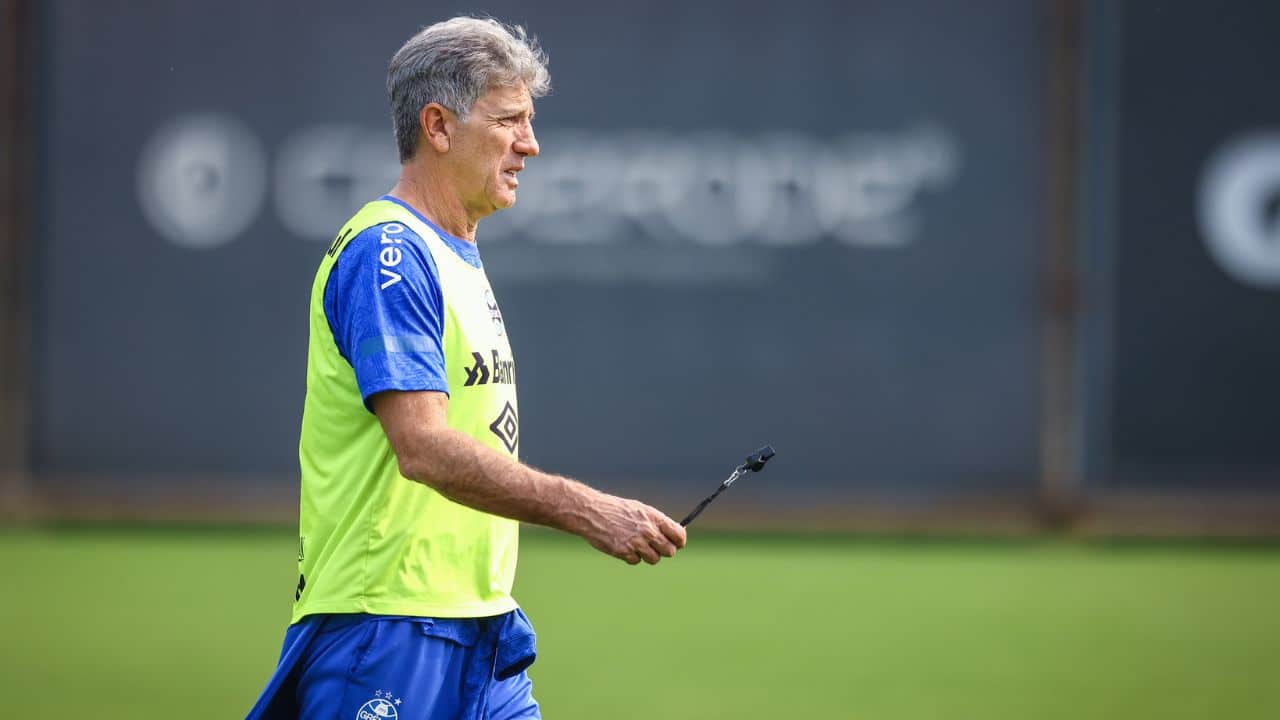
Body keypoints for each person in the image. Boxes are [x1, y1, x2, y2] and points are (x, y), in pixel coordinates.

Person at [245, 16, 687, 720]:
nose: (531, 145)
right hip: (385, 625)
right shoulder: (390, 253)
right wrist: (590, 510)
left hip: (477, 629)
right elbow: (421, 447)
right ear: (439, 126)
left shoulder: (452, 253)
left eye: (530, 121)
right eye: (509, 120)